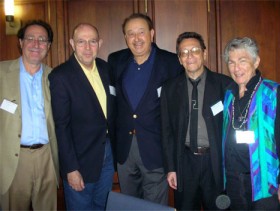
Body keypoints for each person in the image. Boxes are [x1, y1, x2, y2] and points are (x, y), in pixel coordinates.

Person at [107, 13, 183, 205]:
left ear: (152, 33)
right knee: (129, 205)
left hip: (156, 149)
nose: (136, 38)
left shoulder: (172, 62)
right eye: (130, 34)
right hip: (125, 151)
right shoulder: (115, 61)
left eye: (141, 32)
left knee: (155, 206)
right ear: (125, 38)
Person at [222, 37, 280, 210]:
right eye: (231, 62)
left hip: (263, 181)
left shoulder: (273, 93)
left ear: (256, 61)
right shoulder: (229, 95)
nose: (236, 68)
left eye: (242, 61)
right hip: (233, 180)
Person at [160, 32, 232, 210]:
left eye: (194, 50)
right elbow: (166, 131)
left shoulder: (225, 84)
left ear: (204, 53)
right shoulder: (169, 88)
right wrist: (171, 168)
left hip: (215, 162)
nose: (189, 56)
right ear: (179, 59)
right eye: (184, 52)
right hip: (184, 162)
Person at [49, 23, 115, 210]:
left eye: (92, 41)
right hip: (79, 160)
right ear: (72, 43)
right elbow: (61, 127)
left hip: (107, 154)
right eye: (81, 42)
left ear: (99, 43)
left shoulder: (106, 69)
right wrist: (70, 169)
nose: (87, 47)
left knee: (103, 206)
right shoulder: (60, 76)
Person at [0, 20, 59, 210]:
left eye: (42, 40)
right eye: (30, 38)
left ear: (48, 46)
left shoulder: (55, 78)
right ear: (20, 42)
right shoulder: (1, 73)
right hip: (13, 160)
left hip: (47, 158)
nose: (36, 44)